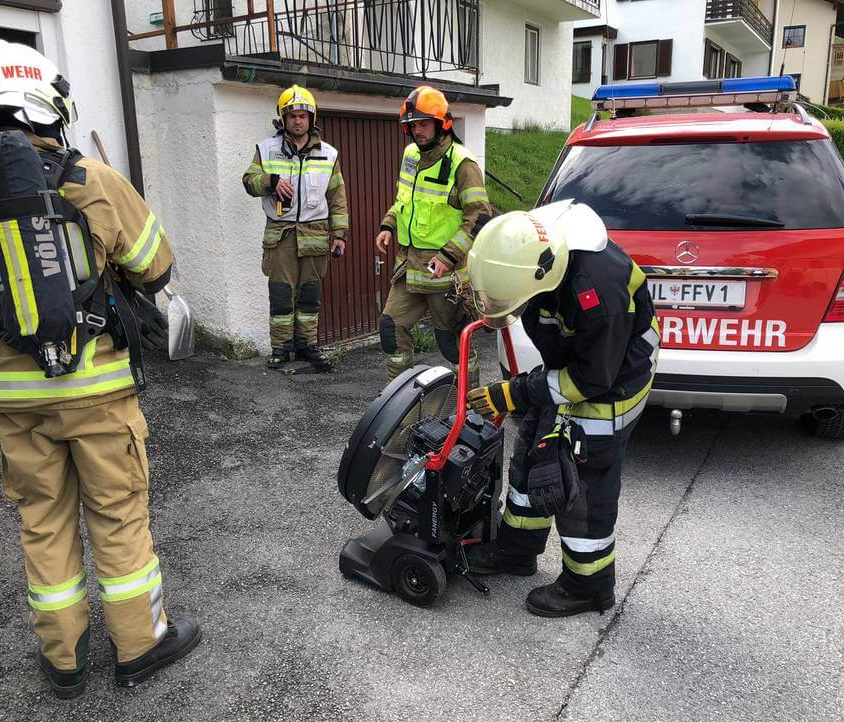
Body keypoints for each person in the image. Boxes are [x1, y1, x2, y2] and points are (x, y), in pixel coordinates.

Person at [0, 39, 200, 698]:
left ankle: (65, 659)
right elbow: (156, 267)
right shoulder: (91, 180)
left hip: (11, 398)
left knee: (43, 522)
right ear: (50, 104)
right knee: (118, 518)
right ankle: (139, 646)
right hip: (97, 390)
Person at [464, 201, 659, 618]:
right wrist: (530, 394)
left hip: (616, 378)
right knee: (535, 448)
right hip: (580, 362)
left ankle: (589, 586)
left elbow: (591, 380)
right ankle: (516, 551)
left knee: (581, 475)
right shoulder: (530, 251)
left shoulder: (598, 293)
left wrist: (515, 393)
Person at [375, 85, 491, 384]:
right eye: (413, 125)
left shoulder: (462, 163)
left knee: (452, 344)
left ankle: (470, 400)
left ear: (442, 124)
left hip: (446, 275)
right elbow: (405, 199)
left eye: (424, 124)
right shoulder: (410, 155)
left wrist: (448, 255)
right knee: (391, 327)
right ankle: (398, 396)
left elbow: (479, 216)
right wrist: (388, 225)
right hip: (410, 267)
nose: (417, 131)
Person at [243, 85, 349, 371]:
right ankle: (281, 349)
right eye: (292, 116)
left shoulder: (329, 154)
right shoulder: (266, 149)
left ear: (312, 118)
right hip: (281, 236)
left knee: (309, 295)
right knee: (281, 294)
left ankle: (307, 346)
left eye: (303, 116)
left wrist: (339, 235)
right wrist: (271, 181)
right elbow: (249, 182)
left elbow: (337, 197)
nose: (298, 121)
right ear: (283, 118)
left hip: (315, 234)